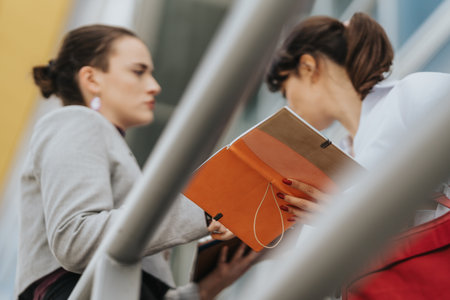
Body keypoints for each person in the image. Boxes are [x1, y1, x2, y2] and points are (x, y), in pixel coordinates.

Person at [16, 24, 256, 300]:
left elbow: (131, 284)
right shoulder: (77, 121)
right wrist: (205, 208)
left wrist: (207, 287)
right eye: (138, 71)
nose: (155, 86)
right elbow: (76, 239)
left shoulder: (103, 139)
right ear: (92, 79)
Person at [265, 12, 450, 298]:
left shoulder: (416, 93)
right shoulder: (332, 162)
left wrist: (354, 211)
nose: (289, 106)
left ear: (308, 67)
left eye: (286, 89)